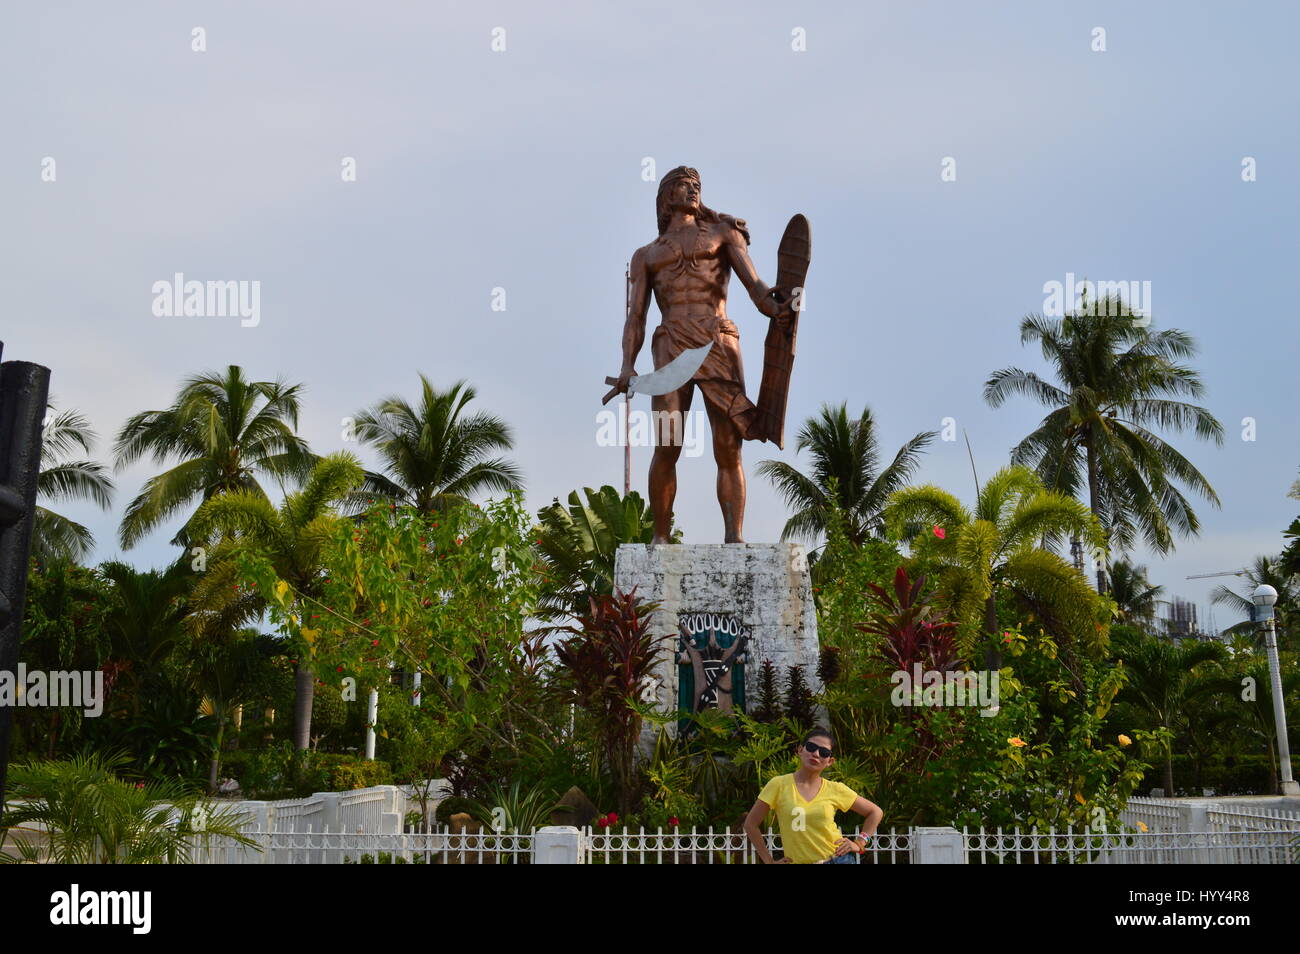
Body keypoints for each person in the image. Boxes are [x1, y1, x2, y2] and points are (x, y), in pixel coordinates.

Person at [743, 727, 883, 864]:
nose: (816, 754)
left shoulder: (835, 789)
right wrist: (768, 861)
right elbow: (750, 824)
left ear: (830, 761)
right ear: (800, 750)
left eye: (824, 752)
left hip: (838, 860)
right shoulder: (778, 785)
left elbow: (875, 812)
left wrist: (860, 843)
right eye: (811, 747)